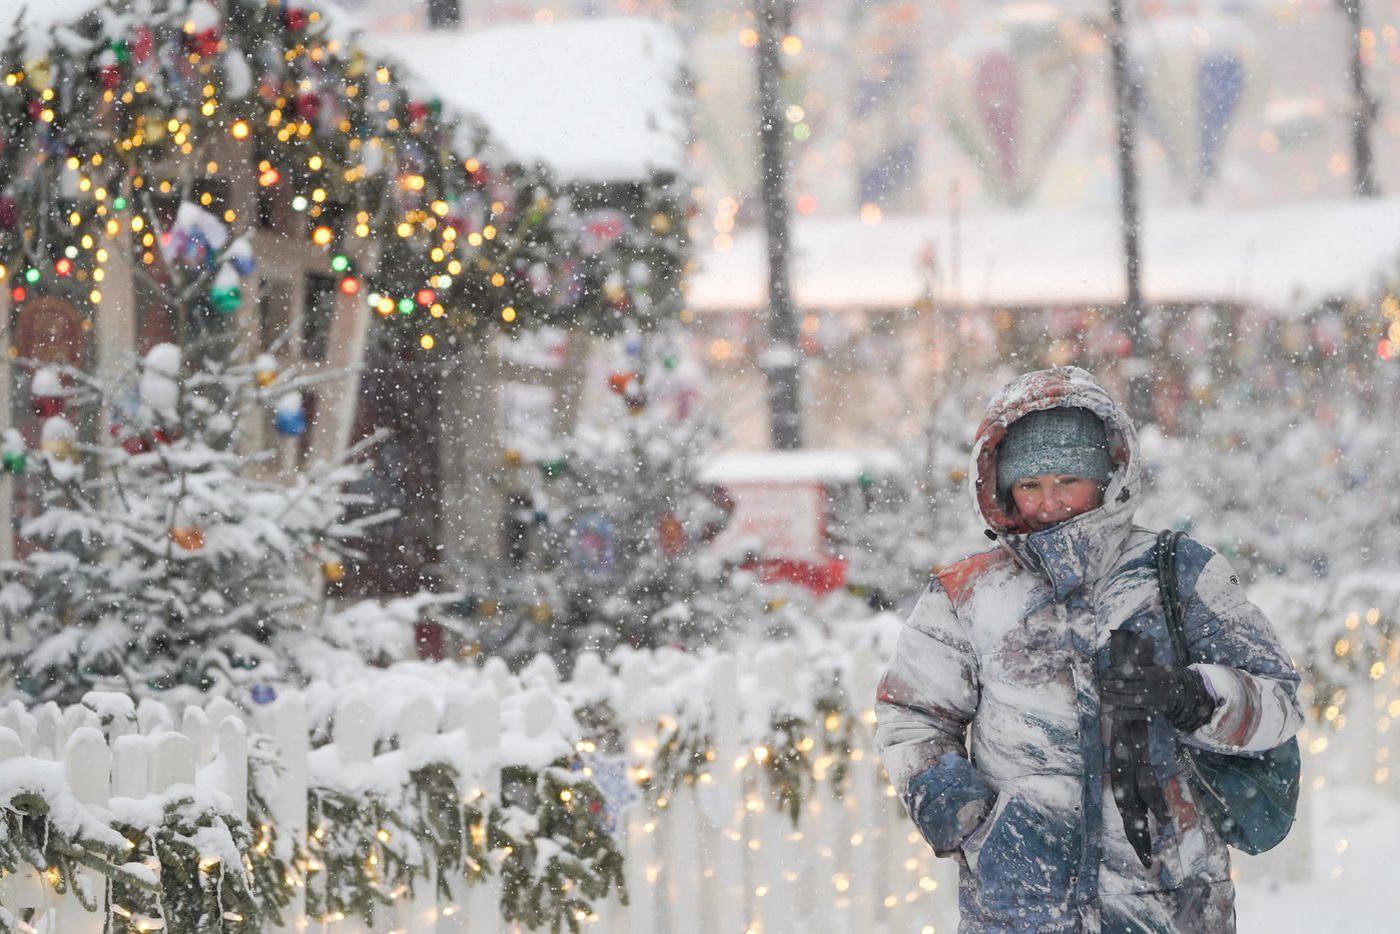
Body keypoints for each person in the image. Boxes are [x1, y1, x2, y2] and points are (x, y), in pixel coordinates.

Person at [875, 366, 1303, 933]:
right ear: (1001, 487)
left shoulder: (1180, 573)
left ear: (1108, 475)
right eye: (1029, 485)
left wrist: (1194, 696)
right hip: (1020, 906)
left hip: (1172, 904)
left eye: (1068, 480)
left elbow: (1280, 703)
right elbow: (912, 720)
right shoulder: (966, 595)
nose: (1049, 503)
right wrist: (975, 826)